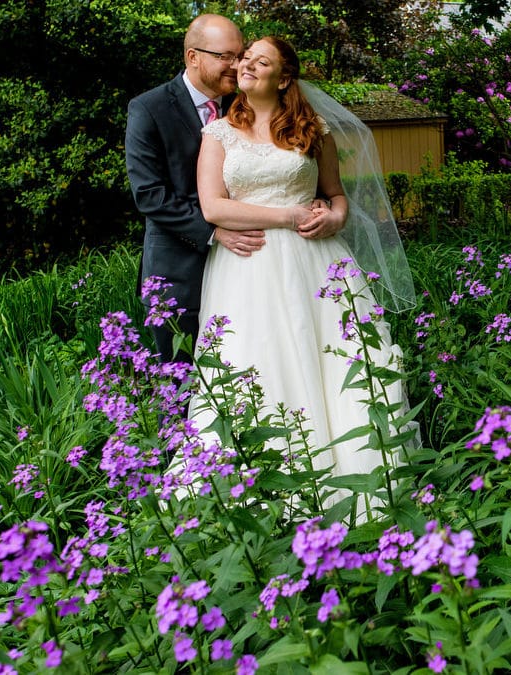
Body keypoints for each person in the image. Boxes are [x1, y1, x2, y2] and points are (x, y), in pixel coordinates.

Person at [192, 36, 416, 512]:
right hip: (248, 265)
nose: (248, 66)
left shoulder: (313, 130)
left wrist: (334, 217)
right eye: (245, 59)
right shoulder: (218, 134)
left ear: (284, 77)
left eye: (261, 61)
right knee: (259, 359)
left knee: (331, 358)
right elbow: (214, 206)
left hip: (318, 263)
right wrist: (289, 217)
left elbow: (336, 196)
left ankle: (352, 477)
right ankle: (255, 488)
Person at [124, 14, 268, 362]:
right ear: (193, 57)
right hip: (178, 276)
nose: (236, 66)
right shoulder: (148, 108)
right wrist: (213, 232)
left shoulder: (247, 105)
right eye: (226, 57)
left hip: (249, 269)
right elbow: (150, 195)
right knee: (181, 387)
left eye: (240, 56)